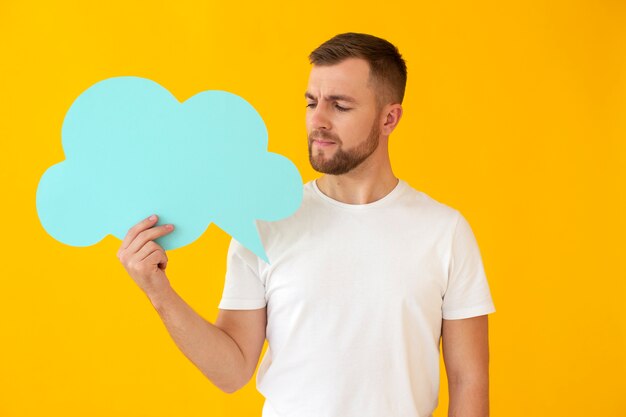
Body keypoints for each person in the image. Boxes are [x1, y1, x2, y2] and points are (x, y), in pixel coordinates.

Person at [118, 32, 495, 417]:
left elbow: (469, 381)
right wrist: (158, 290)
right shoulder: (265, 225)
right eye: (311, 103)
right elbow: (231, 373)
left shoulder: (445, 232)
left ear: (389, 118)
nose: (318, 120)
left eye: (340, 106)